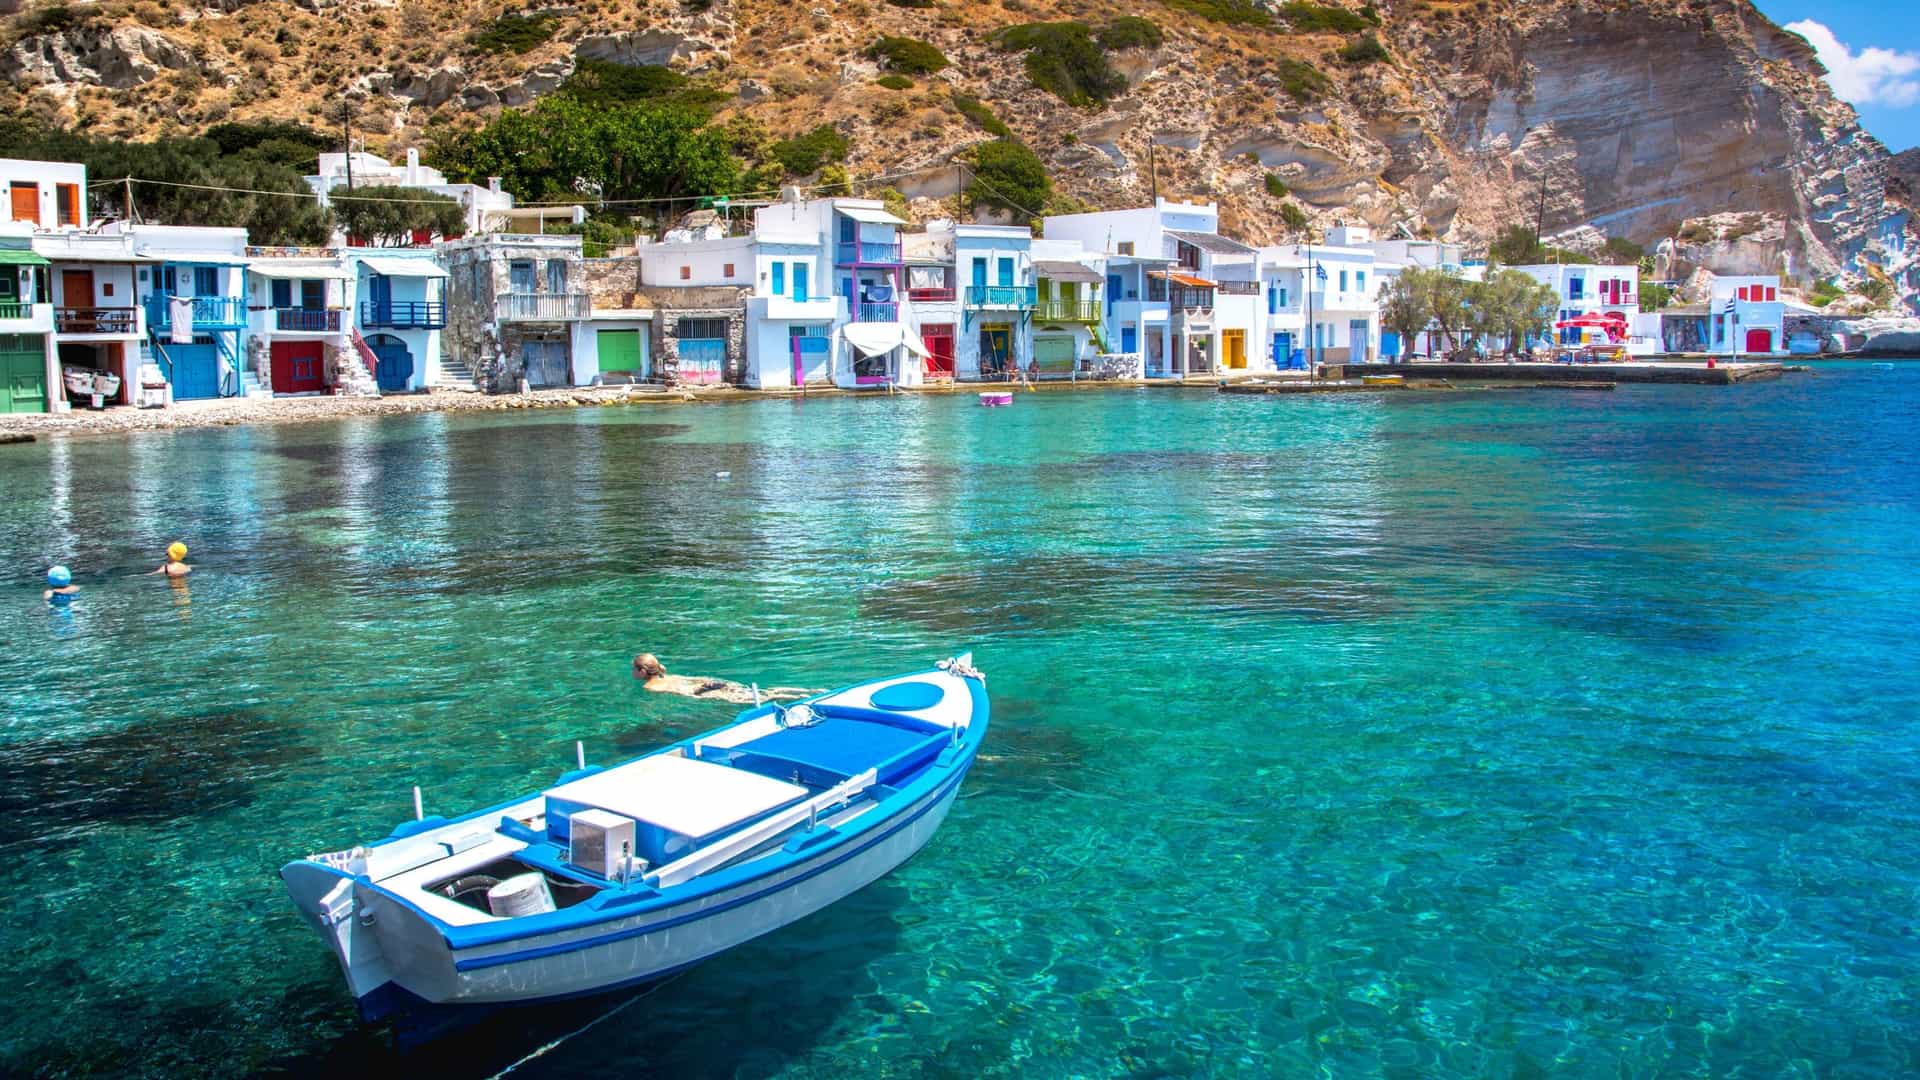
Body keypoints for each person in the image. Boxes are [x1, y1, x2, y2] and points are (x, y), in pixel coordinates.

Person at [631, 653, 817, 705]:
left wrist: (700, 692)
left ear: (642, 671)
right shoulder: (669, 675)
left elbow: (683, 692)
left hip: (702, 692)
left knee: (761, 698)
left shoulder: (651, 688)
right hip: (709, 684)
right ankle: (808, 691)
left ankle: (803, 698)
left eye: (634, 668)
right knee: (764, 692)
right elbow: (698, 678)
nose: (632, 672)